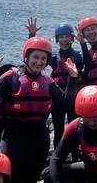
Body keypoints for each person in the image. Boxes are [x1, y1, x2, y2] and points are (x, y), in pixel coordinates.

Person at [0, 37, 77, 183]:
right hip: (13, 137)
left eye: (43, 59)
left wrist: (73, 78)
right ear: (26, 57)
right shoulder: (12, 77)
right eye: (35, 57)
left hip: (38, 138)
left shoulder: (47, 81)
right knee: (10, 180)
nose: (39, 62)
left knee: (30, 181)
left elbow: (65, 104)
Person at [26, 18, 85, 147]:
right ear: (57, 40)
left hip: (73, 97)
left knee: (74, 129)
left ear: (72, 38)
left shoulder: (78, 56)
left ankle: (75, 156)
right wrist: (32, 35)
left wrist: (83, 42)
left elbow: (88, 68)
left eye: (67, 37)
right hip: (57, 98)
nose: (64, 40)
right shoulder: (52, 57)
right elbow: (32, 54)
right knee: (59, 131)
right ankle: (59, 158)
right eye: (61, 37)